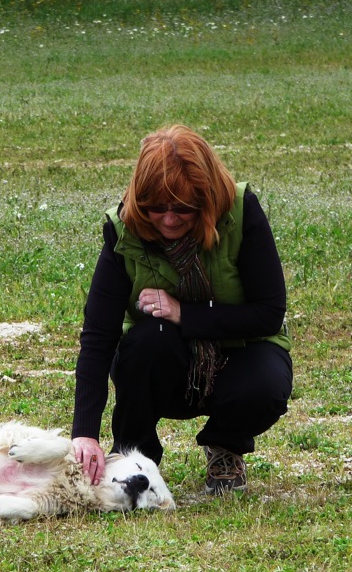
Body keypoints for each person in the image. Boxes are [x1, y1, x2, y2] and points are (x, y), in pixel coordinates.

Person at [71, 124, 293, 495]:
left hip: (240, 351)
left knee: (264, 384)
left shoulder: (241, 212)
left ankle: (225, 445)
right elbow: (99, 336)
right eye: (156, 207)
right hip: (167, 361)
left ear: (207, 200)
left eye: (184, 208)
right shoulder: (123, 229)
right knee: (145, 342)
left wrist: (184, 313)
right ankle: (132, 455)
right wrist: (84, 433)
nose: (169, 219)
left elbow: (269, 313)